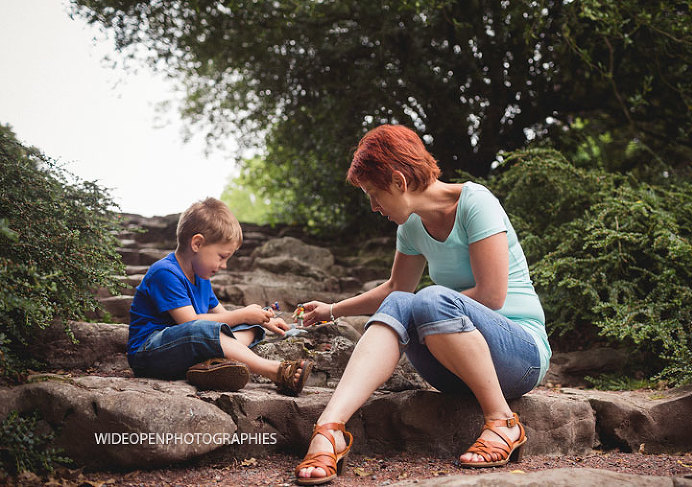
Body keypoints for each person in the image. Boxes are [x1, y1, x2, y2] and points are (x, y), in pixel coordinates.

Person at [294, 125, 551, 484]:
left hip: (519, 356)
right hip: (453, 364)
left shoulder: (476, 203)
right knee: (407, 299)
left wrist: (429, 305)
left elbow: (493, 295)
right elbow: (395, 289)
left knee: (429, 298)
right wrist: (332, 310)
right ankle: (329, 428)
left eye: (374, 193)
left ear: (399, 181)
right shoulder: (411, 228)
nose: (373, 206)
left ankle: (503, 423)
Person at [127, 197, 313, 396]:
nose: (224, 266)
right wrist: (243, 314)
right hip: (149, 354)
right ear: (197, 243)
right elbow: (188, 322)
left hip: (187, 348)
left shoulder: (201, 278)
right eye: (222, 257)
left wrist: (263, 321)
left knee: (250, 327)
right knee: (200, 329)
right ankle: (276, 371)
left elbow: (224, 319)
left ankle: (212, 364)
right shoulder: (164, 272)